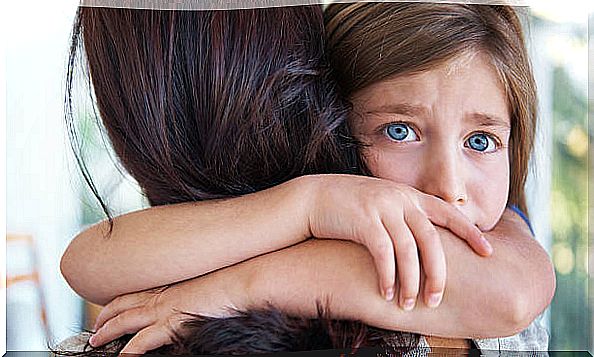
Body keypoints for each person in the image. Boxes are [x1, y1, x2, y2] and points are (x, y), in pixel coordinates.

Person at [59, 2, 555, 355]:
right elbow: (84, 263)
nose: (448, 185)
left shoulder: (501, 236)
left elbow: (508, 298)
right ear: (335, 126)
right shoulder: (337, 205)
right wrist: (309, 203)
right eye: (399, 131)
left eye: (481, 141)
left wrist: (237, 286)